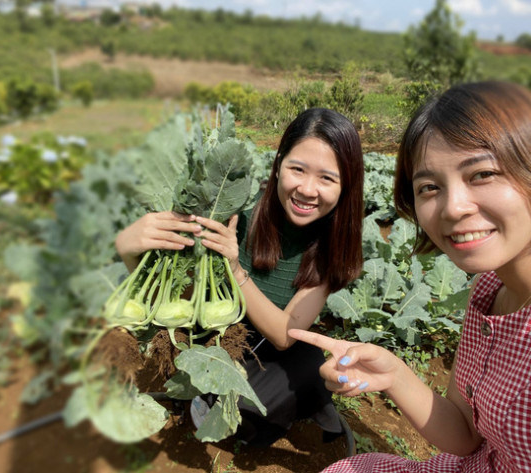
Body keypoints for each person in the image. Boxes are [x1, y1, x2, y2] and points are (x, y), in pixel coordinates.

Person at [290, 81, 531, 472]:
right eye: (429, 187)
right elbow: (466, 436)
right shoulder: (490, 288)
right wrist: (394, 373)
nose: (453, 208)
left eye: (483, 173)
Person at [115, 107, 365, 447]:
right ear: (278, 165)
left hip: (267, 344)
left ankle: (238, 404)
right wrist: (128, 249)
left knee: (306, 366)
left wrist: (234, 269)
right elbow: (179, 294)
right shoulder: (234, 213)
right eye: (297, 169)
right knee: (249, 403)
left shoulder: (331, 247)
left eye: (327, 178)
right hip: (206, 341)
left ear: (345, 185)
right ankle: (202, 392)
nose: (308, 189)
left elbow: (284, 334)